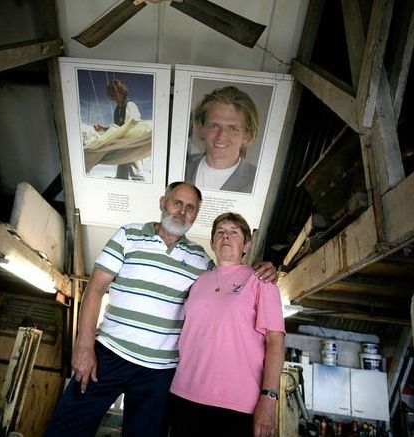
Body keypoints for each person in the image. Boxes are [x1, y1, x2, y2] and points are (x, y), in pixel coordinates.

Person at [44, 182, 277, 437]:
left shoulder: (201, 261)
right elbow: (95, 289)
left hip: (159, 372)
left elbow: (230, 271)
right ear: (162, 203)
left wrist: (264, 267)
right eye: (177, 202)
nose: (182, 211)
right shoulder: (128, 235)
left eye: (191, 208)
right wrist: (84, 346)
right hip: (107, 355)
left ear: (195, 216)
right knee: (65, 429)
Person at [168, 212, 285, 437]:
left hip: (236, 405)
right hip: (184, 394)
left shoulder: (261, 280)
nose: (226, 237)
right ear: (212, 242)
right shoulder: (198, 280)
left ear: (247, 246)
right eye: (220, 232)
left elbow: (276, 342)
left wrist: (269, 398)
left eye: (234, 232)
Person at [185, 86, 260, 193]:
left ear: (247, 135)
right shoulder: (182, 166)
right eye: (214, 126)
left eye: (232, 128)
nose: (221, 136)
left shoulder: (259, 181)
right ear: (201, 128)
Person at [91, 79, 144, 181]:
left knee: (137, 175)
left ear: (121, 93)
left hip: (133, 146)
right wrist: (102, 128)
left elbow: (135, 125)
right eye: (112, 97)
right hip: (122, 146)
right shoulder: (117, 110)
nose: (114, 100)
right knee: (121, 176)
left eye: (115, 96)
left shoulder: (130, 105)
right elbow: (115, 128)